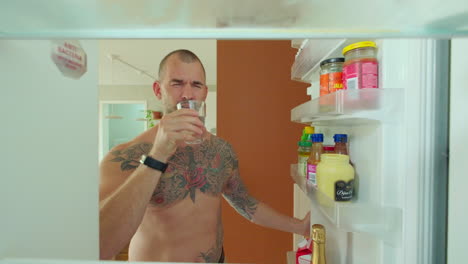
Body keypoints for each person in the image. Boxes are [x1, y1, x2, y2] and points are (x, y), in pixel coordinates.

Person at [99, 49, 310, 263]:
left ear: (204, 93)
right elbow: (101, 244)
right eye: (177, 83)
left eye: (196, 85)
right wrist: (158, 154)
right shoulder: (125, 157)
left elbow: (246, 203)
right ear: (157, 90)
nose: (188, 95)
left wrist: (299, 226)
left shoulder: (221, 150)